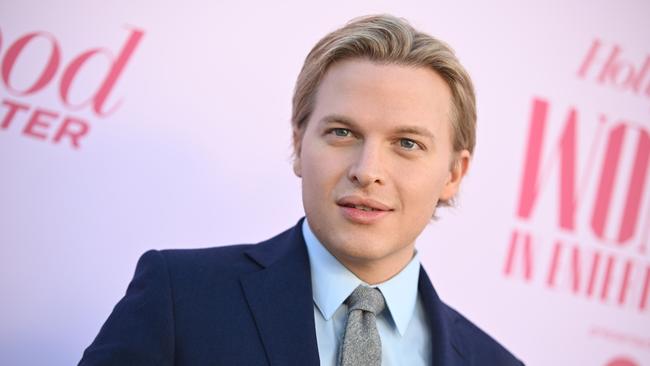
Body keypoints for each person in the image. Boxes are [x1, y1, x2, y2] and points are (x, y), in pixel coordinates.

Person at [79, 14, 524, 366]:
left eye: (407, 144)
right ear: (298, 144)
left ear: (453, 174)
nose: (368, 171)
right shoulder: (180, 297)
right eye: (342, 133)